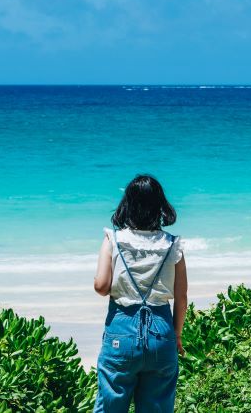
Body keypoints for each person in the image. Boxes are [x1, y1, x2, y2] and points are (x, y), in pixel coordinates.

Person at [92, 174, 188, 412]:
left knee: (110, 404)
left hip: (121, 332)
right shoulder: (173, 244)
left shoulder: (113, 240)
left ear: (127, 205)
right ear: (160, 206)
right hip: (161, 332)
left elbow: (101, 287)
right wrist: (175, 335)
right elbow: (182, 296)